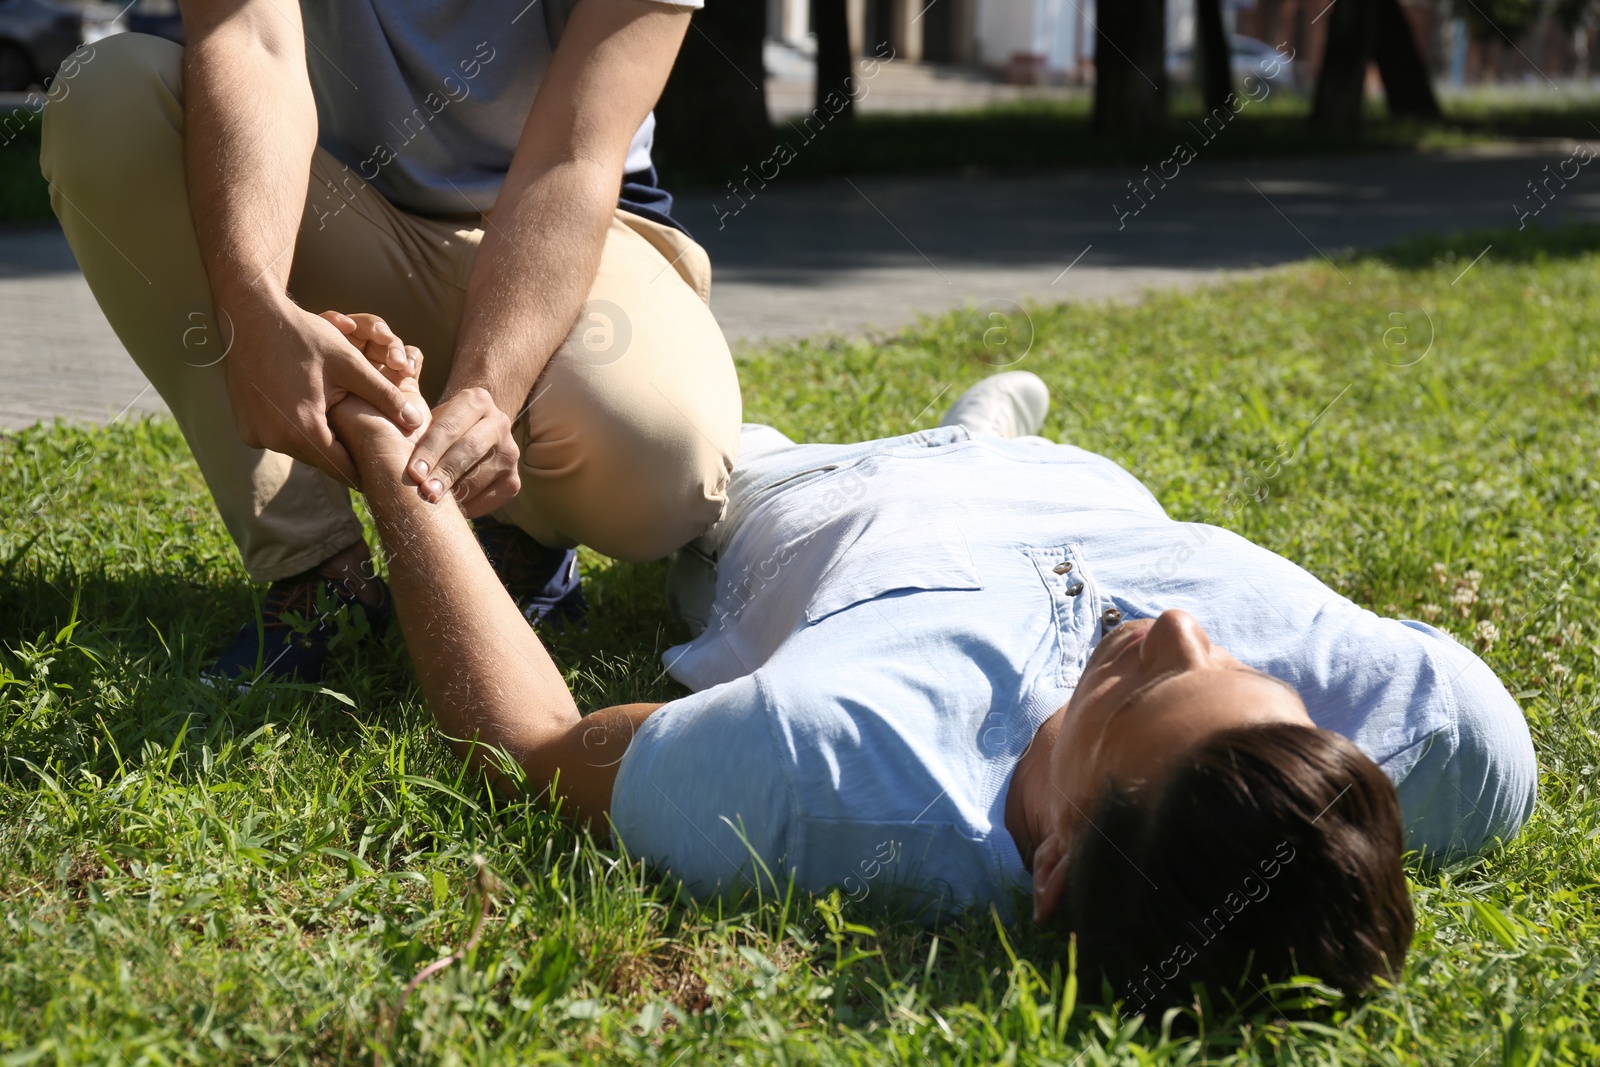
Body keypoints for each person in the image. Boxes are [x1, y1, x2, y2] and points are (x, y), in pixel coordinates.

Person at [325, 362, 1536, 1013]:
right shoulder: (1432, 734)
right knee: (997, 445)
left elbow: (530, 741)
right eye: (1242, 673)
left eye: (1133, 691)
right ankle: (983, 426)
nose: (1177, 627)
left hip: (812, 499)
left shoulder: (830, 763)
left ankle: (937, 429)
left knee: (677, 451)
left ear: (1053, 863)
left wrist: (395, 473)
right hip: (1068, 484)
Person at [39, 0, 741, 684]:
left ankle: (518, 525)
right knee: (107, 97)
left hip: (571, 229)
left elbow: (572, 156)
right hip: (337, 206)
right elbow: (250, 40)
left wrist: (488, 391)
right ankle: (318, 570)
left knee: (665, 458)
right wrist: (253, 306)